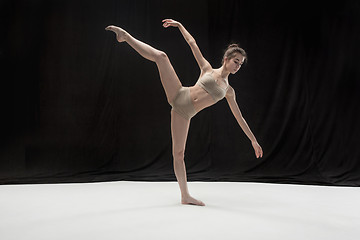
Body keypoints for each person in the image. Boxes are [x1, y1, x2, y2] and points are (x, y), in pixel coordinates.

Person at [105, 19, 263, 206]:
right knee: (162, 57)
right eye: (236, 61)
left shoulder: (229, 91)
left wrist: (253, 139)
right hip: (179, 93)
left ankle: (185, 196)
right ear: (226, 59)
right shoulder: (207, 69)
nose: (238, 66)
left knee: (178, 154)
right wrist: (179, 26)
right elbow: (192, 43)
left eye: (241, 64)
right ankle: (126, 37)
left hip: (183, 114)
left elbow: (239, 117)